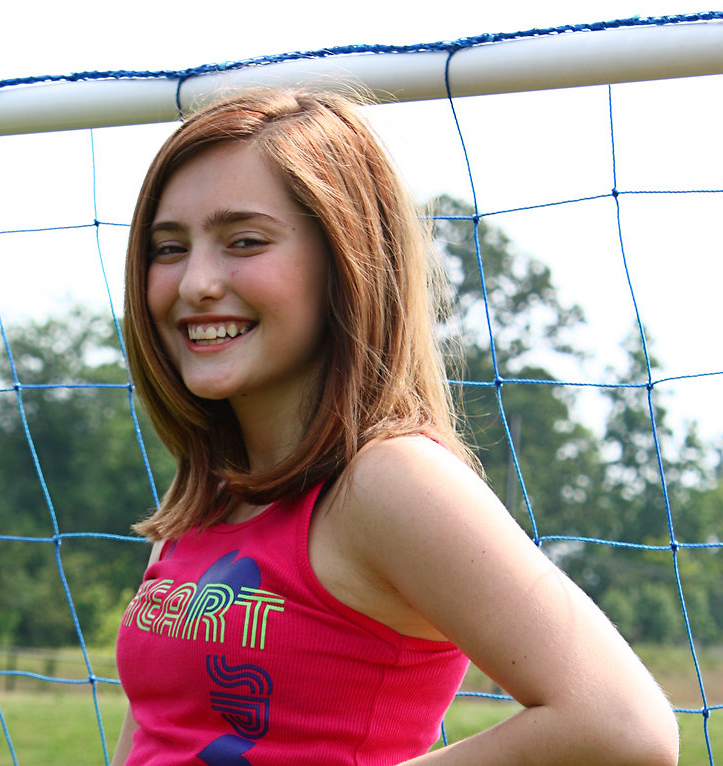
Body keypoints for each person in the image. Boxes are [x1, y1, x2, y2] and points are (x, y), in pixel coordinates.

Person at [112, 87, 679, 765]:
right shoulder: (206, 495)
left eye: (245, 241)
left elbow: (622, 726)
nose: (196, 281)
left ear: (343, 260)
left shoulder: (390, 480)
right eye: (168, 248)